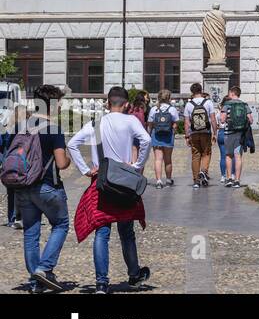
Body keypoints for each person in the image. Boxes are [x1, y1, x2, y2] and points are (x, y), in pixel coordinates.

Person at [67, 86, 151, 294]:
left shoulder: (97, 123)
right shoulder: (131, 121)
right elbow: (147, 140)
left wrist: (86, 170)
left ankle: (101, 283)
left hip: (102, 182)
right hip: (125, 183)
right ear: (126, 105)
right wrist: (137, 165)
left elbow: (72, 144)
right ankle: (133, 274)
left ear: (107, 103)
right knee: (126, 232)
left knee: (102, 233)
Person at [2, 87, 71, 292]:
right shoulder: (53, 128)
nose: (60, 107)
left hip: (22, 186)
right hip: (47, 187)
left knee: (30, 233)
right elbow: (61, 163)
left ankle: (35, 282)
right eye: (58, 103)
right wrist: (69, 158)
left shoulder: (21, 126)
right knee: (61, 225)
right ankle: (44, 268)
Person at [183, 83, 216, 188]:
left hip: (194, 133)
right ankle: (203, 171)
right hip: (206, 132)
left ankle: (196, 180)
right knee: (206, 153)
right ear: (201, 90)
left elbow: (187, 122)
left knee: (195, 155)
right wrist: (215, 133)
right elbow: (213, 119)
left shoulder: (189, 104)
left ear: (192, 92)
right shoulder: (208, 102)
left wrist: (187, 136)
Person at [146, 89, 180, 188]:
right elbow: (175, 123)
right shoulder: (172, 109)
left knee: (158, 159)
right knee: (168, 159)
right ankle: (168, 179)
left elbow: (150, 124)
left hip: (156, 135)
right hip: (168, 136)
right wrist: (173, 131)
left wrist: (149, 134)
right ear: (169, 98)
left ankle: (159, 181)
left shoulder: (154, 109)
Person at [220, 86, 251, 188]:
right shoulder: (244, 104)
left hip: (229, 134)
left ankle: (229, 179)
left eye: (229, 93)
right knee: (238, 156)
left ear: (232, 93)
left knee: (229, 155)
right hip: (240, 134)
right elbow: (251, 120)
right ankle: (237, 181)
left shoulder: (227, 105)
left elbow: (222, 120)